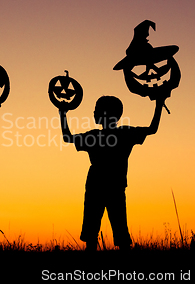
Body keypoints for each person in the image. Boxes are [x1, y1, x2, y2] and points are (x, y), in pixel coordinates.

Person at [59, 95, 166, 251]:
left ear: (105, 114)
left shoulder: (95, 136)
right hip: (114, 185)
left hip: (97, 185)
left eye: (96, 110)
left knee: (93, 229)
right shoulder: (125, 134)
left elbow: (67, 137)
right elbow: (152, 129)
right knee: (117, 226)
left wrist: (62, 114)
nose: (93, 113)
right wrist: (159, 104)